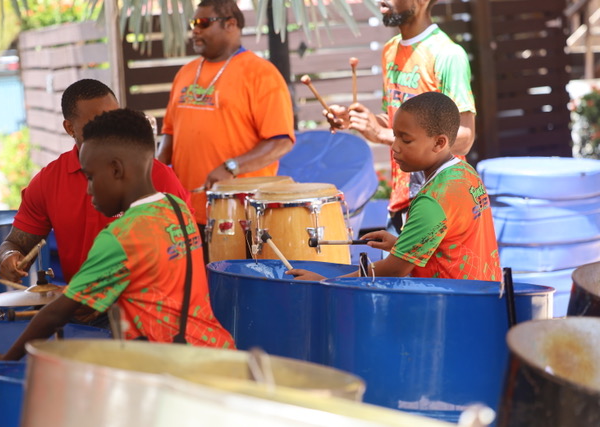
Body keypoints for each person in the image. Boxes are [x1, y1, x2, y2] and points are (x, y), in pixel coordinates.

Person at [0, 109, 235, 361]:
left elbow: (56, 314)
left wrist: (6, 360)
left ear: (116, 170)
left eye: (91, 177)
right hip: (215, 350)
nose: (89, 190)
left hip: (174, 366)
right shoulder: (176, 208)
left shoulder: (121, 236)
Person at [288, 92, 500, 282]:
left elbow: (394, 269)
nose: (395, 147)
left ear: (439, 143)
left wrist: (326, 281)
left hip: (452, 304)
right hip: (485, 294)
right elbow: (452, 241)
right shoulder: (466, 173)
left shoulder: (433, 199)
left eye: (406, 140)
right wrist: (402, 244)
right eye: (395, 136)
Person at [0, 79, 191, 285]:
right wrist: (9, 257)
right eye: (97, 124)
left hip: (143, 301)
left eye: (114, 119)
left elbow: (185, 257)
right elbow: (15, 244)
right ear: (70, 128)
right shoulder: (48, 181)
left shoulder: (158, 176)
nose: (110, 130)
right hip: (81, 301)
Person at [327, 0, 476, 235]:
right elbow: (392, 121)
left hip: (438, 205)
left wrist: (383, 134)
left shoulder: (448, 55)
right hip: (401, 202)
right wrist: (360, 121)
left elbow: (465, 138)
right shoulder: (390, 50)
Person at [156, 0, 295, 237]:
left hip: (239, 215)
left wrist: (231, 167)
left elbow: (281, 141)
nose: (195, 30)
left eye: (203, 23)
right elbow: (169, 133)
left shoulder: (261, 73)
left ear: (230, 24)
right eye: (193, 23)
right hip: (184, 212)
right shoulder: (185, 72)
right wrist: (155, 174)